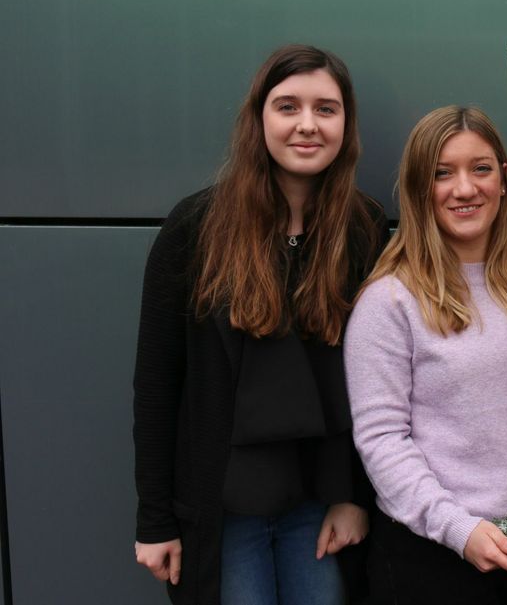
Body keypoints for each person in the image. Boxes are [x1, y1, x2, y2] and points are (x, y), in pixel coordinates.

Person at [133, 44, 387, 605]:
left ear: (346, 123)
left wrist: (354, 499)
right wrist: (155, 519)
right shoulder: (196, 227)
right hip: (222, 512)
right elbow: (156, 385)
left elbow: (378, 384)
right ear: (259, 119)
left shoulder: (364, 228)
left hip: (320, 507)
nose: (306, 125)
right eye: (287, 106)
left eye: (326, 109)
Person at [343, 106, 507, 605]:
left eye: (481, 168)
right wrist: (458, 528)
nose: (465, 188)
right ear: (417, 189)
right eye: (442, 174)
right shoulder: (389, 300)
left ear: (504, 179)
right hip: (432, 558)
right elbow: (382, 439)